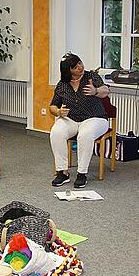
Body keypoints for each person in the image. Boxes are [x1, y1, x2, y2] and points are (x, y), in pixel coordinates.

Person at [49, 53, 111, 188]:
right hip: (71, 119)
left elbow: (105, 90)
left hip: (95, 117)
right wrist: (58, 112)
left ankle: (82, 173)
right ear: (68, 70)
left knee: (85, 135)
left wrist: (95, 91)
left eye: (80, 63)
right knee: (56, 132)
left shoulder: (91, 76)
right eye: (75, 66)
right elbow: (52, 106)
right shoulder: (62, 84)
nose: (80, 67)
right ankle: (62, 172)